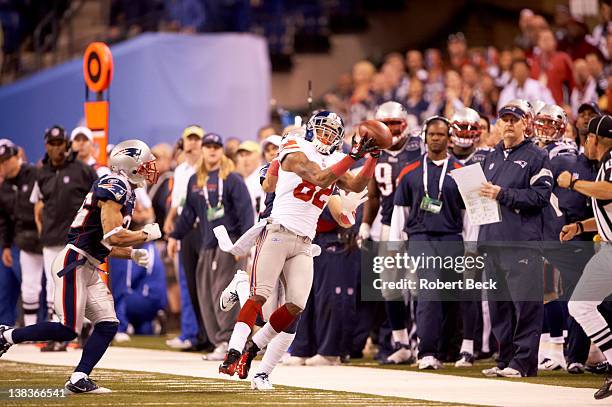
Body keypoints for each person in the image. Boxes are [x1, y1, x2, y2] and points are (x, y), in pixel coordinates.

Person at [218, 111, 377, 380]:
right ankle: (232, 352)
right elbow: (319, 178)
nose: (326, 135)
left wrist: (373, 157)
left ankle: (251, 349)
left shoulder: (337, 159)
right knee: (259, 296)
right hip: (278, 230)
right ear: (312, 129)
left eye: (332, 131)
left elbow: (355, 183)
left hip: (305, 240)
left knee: (296, 306)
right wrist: (353, 156)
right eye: (323, 129)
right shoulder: (295, 146)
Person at [0, 140, 162, 394]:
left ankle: (79, 378)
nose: (148, 168)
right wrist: (144, 235)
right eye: (143, 164)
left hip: (88, 265)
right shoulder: (115, 185)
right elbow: (113, 235)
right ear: (129, 164)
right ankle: (7, 336)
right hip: (74, 263)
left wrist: (131, 254)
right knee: (67, 330)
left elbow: (104, 241)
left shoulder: (125, 191)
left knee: (108, 324)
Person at [389, 116, 469, 370]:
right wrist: (394, 247)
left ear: (449, 138)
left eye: (441, 134)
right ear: (424, 137)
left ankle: (447, 351)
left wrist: (473, 246)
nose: (436, 138)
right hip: (420, 238)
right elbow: (399, 212)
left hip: (452, 238)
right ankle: (426, 352)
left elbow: (470, 214)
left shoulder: (461, 172)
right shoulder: (410, 172)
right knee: (430, 291)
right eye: (432, 134)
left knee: (451, 298)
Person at [478, 103, 552, 378]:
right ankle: (505, 359)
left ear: (525, 124)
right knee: (499, 306)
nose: (508, 124)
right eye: (504, 120)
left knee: (526, 304)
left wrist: (503, 194)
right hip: (492, 238)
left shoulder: (537, 155)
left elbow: (540, 197)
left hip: (521, 241)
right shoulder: (490, 156)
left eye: (514, 120)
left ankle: (523, 363)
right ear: (497, 125)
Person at [168, 133, 254, 361]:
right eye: (208, 146)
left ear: (222, 150)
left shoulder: (233, 178)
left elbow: (246, 213)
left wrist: (243, 245)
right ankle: (219, 341)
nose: (212, 150)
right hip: (207, 243)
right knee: (205, 293)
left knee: (223, 293)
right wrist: (174, 236)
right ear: (203, 150)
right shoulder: (195, 180)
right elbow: (188, 215)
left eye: (216, 146)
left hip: (229, 245)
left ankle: (229, 341)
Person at [360, 101, 423, 365]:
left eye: (393, 124)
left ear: (404, 124)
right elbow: (373, 195)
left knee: (418, 287)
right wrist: (365, 224)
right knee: (390, 288)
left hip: (416, 225)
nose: (389, 129)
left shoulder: (419, 147)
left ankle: (422, 343)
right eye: (384, 124)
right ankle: (401, 342)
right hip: (387, 225)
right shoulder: (375, 151)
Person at [559, 114, 612, 399]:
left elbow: (609, 191)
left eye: (586, 139)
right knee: (580, 305)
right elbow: (607, 210)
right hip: (607, 248)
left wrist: (573, 182)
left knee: (580, 305)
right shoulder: (606, 164)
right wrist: (580, 225)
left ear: (592, 139)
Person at [31, 125, 98, 351]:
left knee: (82, 284)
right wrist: (42, 228)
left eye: (60, 143)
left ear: (66, 144)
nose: (56, 147)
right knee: (53, 286)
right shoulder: (41, 173)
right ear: (46, 145)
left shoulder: (83, 170)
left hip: (78, 239)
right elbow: (39, 205)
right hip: (51, 238)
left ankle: (85, 328)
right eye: (52, 143)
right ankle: (58, 333)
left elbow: (98, 202)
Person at [163, 125, 206, 351]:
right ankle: (190, 332)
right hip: (184, 228)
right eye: (189, 139)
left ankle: (204, 333)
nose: (193, 143)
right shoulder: (180, 170)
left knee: (204, 283)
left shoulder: (206, 168)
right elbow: (179, 201)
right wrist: (170, 219)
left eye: (197, 139)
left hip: (202, 228)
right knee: (186, 281)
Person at [0, 139, 43, 327]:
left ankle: (43, 328)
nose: (3, 165)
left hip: (40, 240)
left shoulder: (35, 175)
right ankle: (7, 330)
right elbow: (4, 221)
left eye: (6, 160)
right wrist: (6, 246)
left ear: (17, 156)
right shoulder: (4, 188)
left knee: (40, 287)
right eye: (0, 162)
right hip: (18, 242)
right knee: (15, 288)